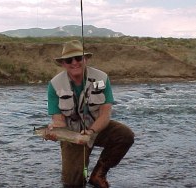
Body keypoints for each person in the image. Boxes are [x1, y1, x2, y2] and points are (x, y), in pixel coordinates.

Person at [47, 40, 134, 188]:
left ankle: (98, 174)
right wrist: (55, 132)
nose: (74, 63)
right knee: (73, 184)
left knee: (125, 135)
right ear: (63, 64)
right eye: (69, 60)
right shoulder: (54, 85)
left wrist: (91, 131)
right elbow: (59, 121)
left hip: (97, 127)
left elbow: (105, 114)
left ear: (85, 59)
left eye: (78, 58)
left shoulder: (102, 78)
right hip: (72, 134)